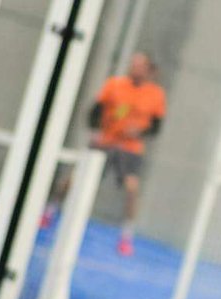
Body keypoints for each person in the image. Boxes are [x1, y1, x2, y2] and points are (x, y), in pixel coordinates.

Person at [42, 52, 166, 257]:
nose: (133, 68)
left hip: (130, 149)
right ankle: (50, 211)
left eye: (139, 65)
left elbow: (156, 127)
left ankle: (126, 236)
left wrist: (139, 132)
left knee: (132, 189)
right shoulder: (114, 85)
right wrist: (96, 132)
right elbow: (94, 112)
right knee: (72, 180)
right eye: (132, 64)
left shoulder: (155, 95)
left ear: (148, 70)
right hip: (105, 142)